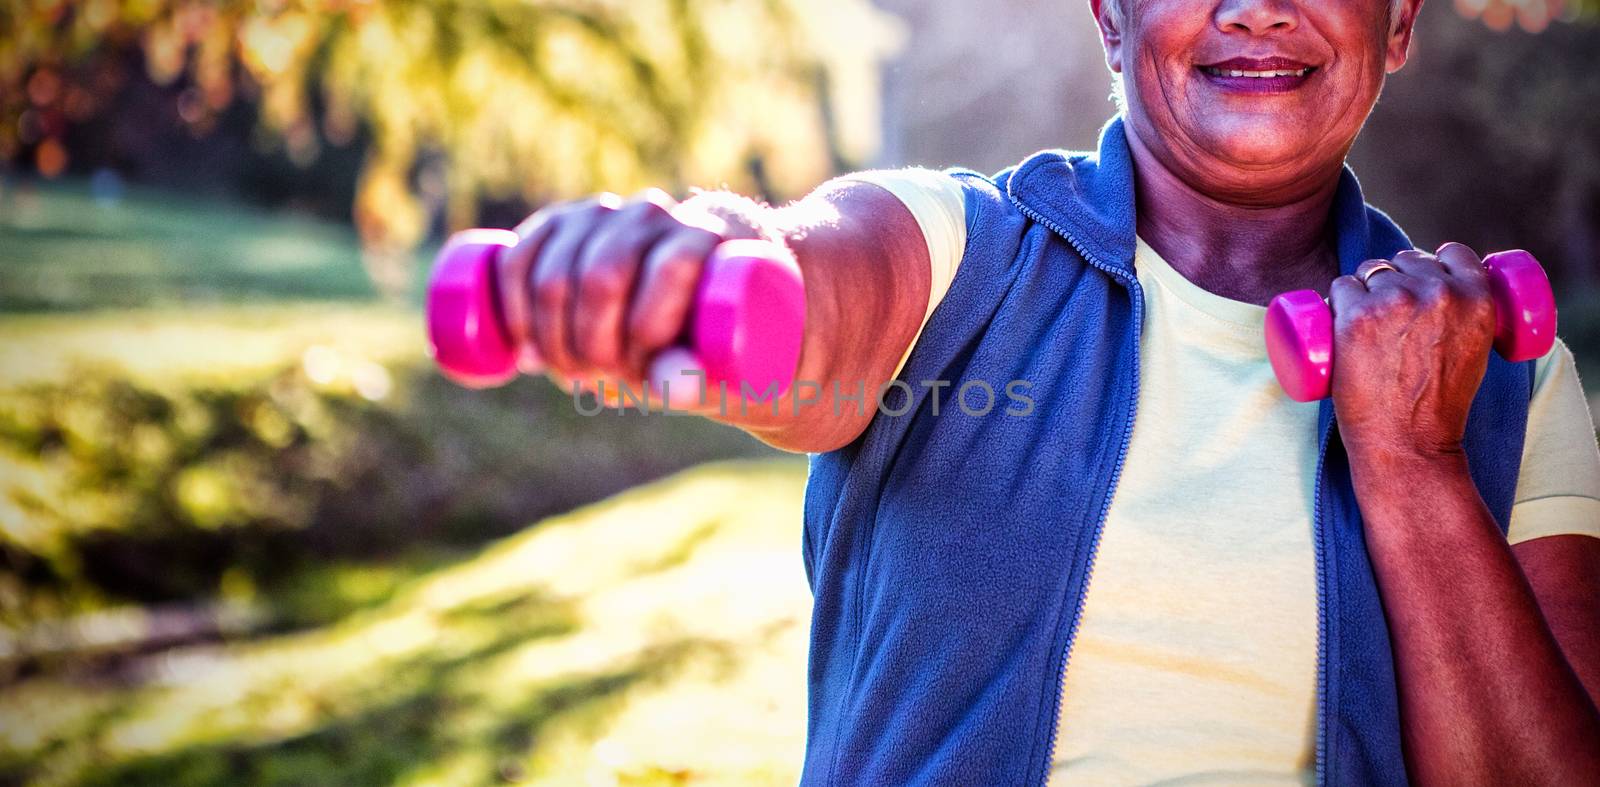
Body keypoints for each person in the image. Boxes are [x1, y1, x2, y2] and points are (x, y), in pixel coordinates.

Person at [490, 0, 1600, 783]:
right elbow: (807, 278)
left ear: (1398, 21)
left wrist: (1416, 463)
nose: (1257, 9)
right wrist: (687, 261)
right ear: (1109, 18)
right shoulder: (964, 255)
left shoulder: (1504, 368)